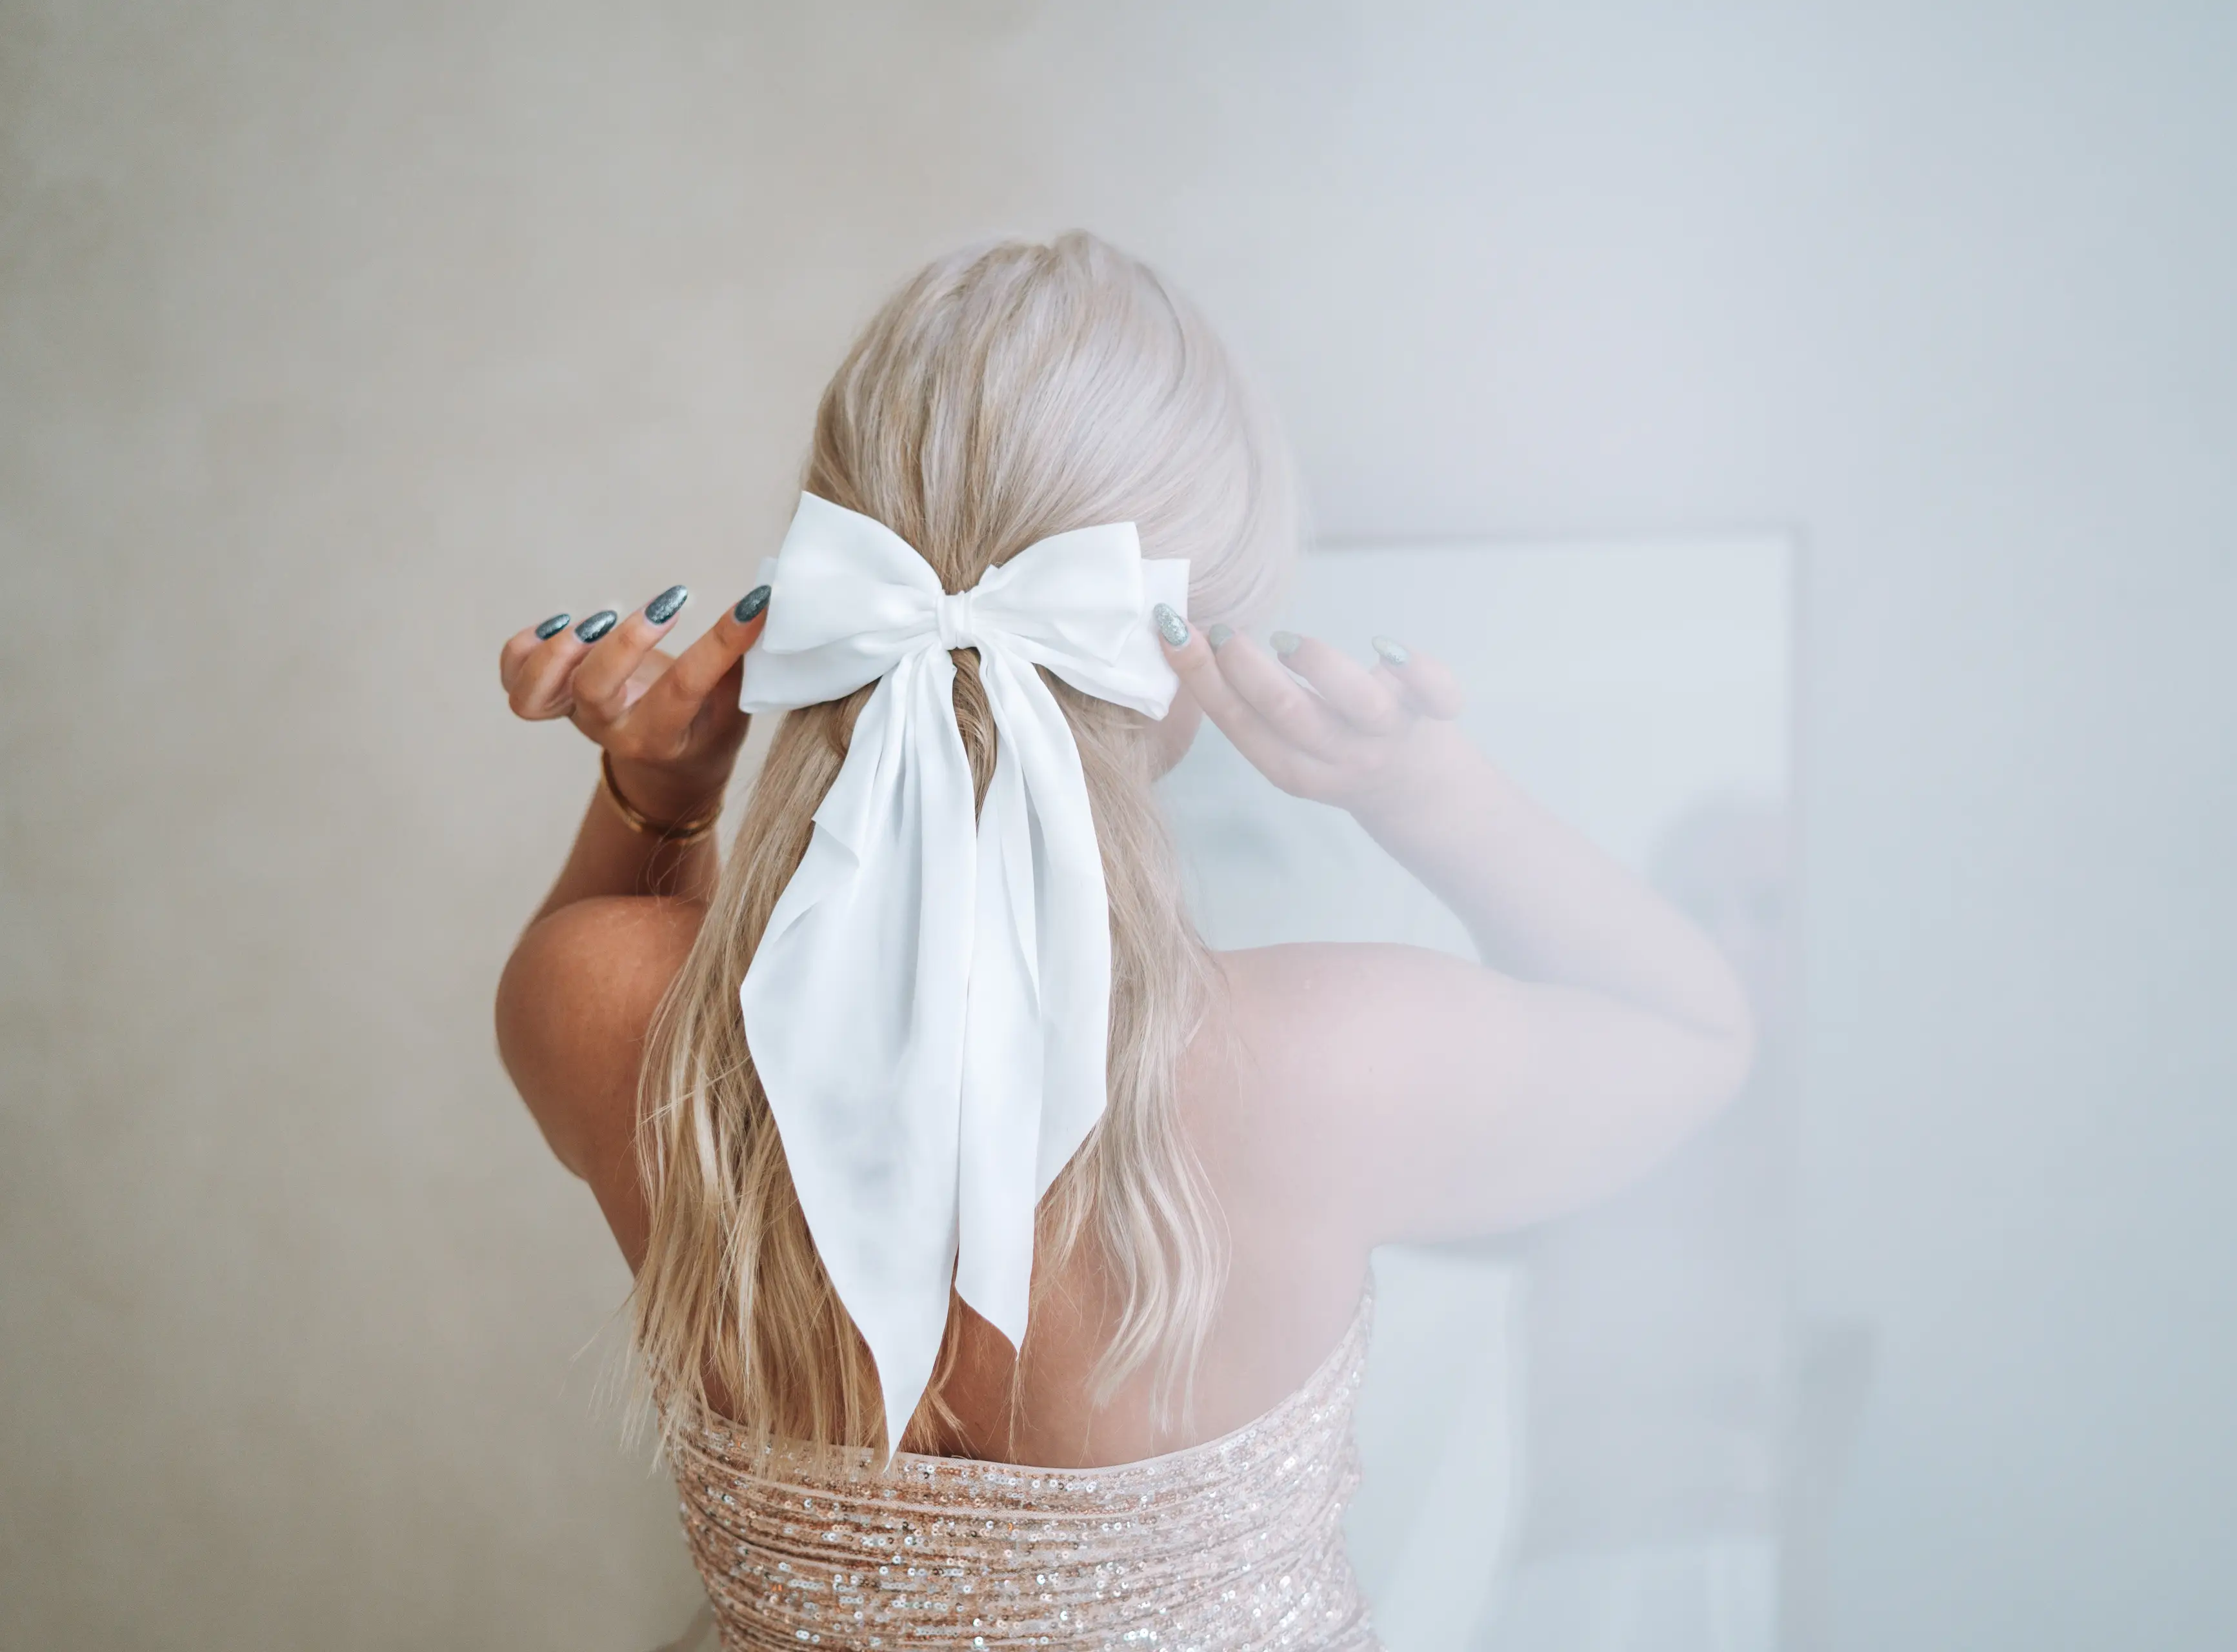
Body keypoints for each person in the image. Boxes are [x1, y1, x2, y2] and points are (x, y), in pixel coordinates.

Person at [493, 232, 1754, 1651]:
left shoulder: (600, 1001)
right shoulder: (1322, 1063)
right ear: (1179, 647)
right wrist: (1422, 784)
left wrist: (657, 801)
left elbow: (630, 967)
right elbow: (1697, 1035)